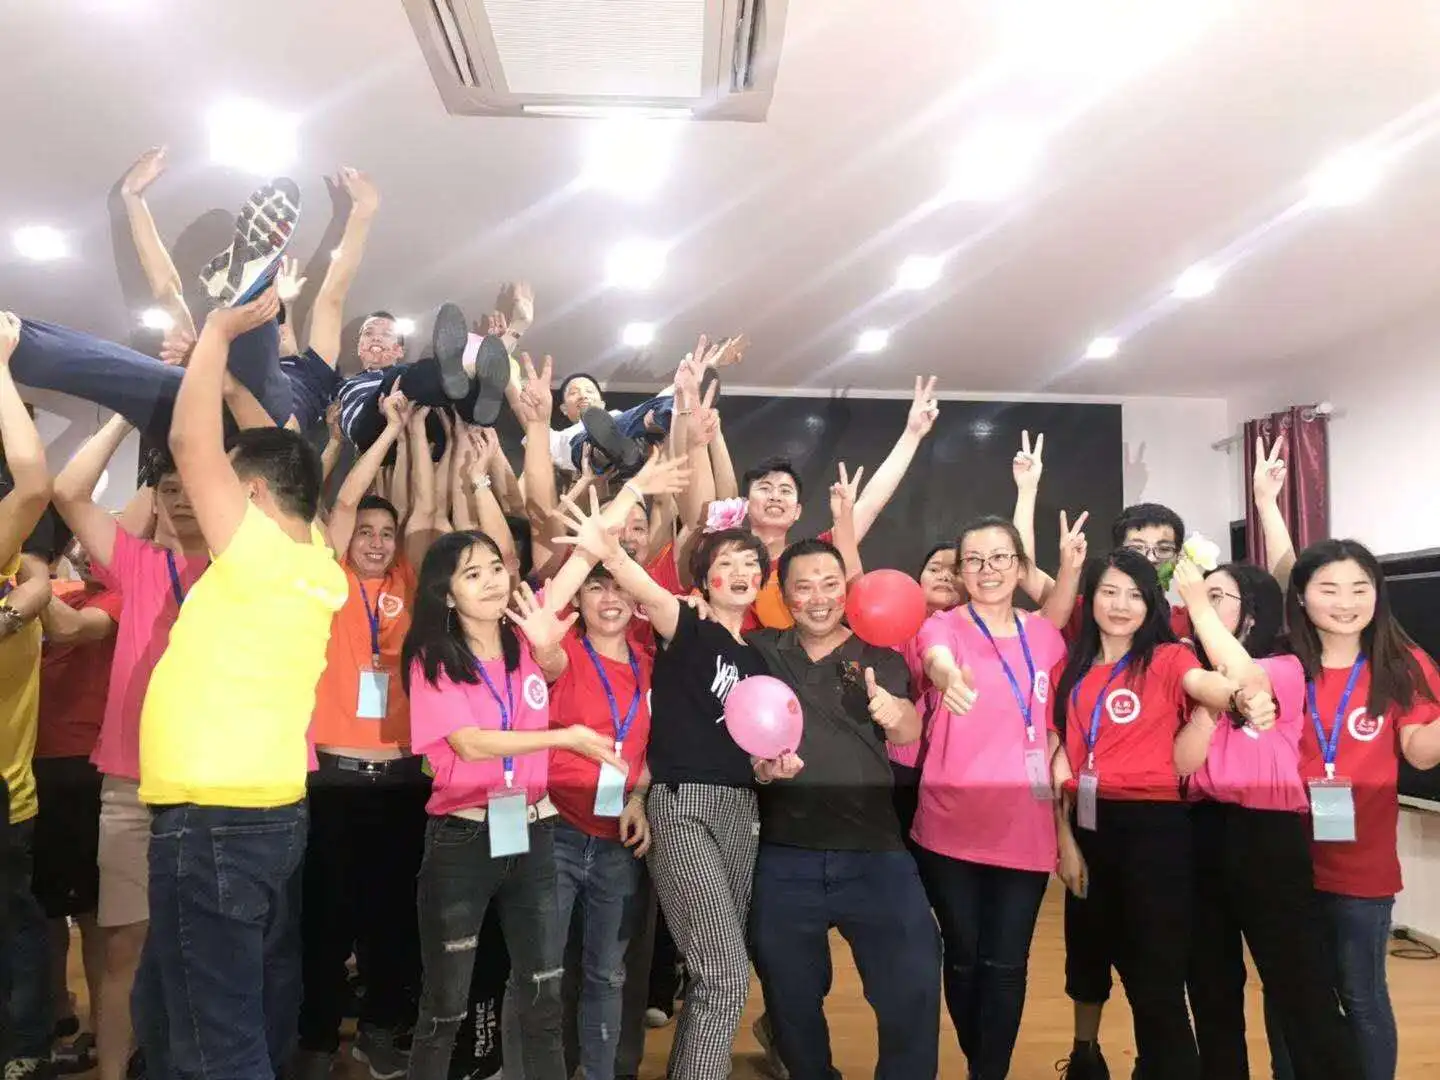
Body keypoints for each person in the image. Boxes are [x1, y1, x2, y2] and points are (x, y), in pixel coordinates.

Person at [129, 289, 349, 1080]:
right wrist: (226, 383)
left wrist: (217, 335)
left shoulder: (256, 552)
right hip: (259, 816)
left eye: (228, 482)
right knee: (179, 1011)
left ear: (252, 499)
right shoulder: (316, 560)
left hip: (213, 822)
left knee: (212, 1040)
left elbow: (190, 441)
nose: (208, 490)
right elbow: (282, 452)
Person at [554, 492, 801, 1080]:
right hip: (683, 807)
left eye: (750, 563)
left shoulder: (760, 659)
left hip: (742, 812)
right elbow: (634, 577)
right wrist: (608, 544)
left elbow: (752, 752)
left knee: (714, 977)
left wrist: (771, 769)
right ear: (704, 578)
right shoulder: (684, 623)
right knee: (724, 973)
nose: (740, 571)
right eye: (726, 562)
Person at [399, 531, 624, 1080]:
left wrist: (630, 496)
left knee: (543, 1000)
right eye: (472, 574)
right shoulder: (432, 658)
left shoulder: (525, 639)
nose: (491, 582)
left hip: (534, 832)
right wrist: (563, 738)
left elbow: (577, 567)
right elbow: (470, 743)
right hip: (463, 838)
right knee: (445, 1007)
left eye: (496, 568)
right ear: (446, 593)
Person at [1050, 548, 1276, 1080]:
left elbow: (1212, 684)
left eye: (1135, 595)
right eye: (1109, 592)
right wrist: (1064, 841)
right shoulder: (1068, 668)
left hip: (1154, 832)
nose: (1120, 605)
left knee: (1156, 977)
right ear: (1091, 598)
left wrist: (1238, 698)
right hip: (1088, 826)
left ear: (1151, 603)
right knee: (1088, 956)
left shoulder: (1170, 659)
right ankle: (1088, 1061)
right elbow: (1058, 756)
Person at [746, 535, 940, 1080]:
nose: (819, 598)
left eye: (830, 585)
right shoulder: (759, 652)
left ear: (847, 591)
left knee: (913, 982)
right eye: (804, 587)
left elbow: (908, 727)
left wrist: (893, 711)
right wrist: (761, 769)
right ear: (783, 594)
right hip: (786, 854)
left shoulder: (879, 657)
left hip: (875, 852)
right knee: (789, 996)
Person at [50, 417, 210, 1080]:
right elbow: (68, 491)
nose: (181, 498)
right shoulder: (140, 566)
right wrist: (127, 412)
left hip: (213, 785)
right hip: (131, 784)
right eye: (169, 488)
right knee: (124, 946)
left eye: (192, 486)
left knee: (202, 950)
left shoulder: (241, 568)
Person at [1168, 559, 1364, 1080]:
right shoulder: (1190, 675)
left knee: (1301, 986)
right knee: (1210, 985)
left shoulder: (1284, 666)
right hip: (1199, 830)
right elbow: (1182, 762)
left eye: (1218, 596)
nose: (1201, 604)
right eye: (1201, 596)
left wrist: (1198, 607)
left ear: (1252, 613)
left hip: (1266, 836)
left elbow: (1247, 680)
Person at [294, 391, 438, 1080]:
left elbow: (425, 510)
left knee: (393, 920)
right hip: (334, 777)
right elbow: (346, 499)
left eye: (386, 533)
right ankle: (317, 1037)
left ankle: (381, 1029)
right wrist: (385, 434)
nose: (376, 541)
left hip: (404, 780)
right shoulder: (327, 577)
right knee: (325, 918)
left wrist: (414, 436)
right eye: (366, 532)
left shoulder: (410, 578)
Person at [913, 515, 1081, 1080]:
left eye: (1000, 558)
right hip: (950, 825)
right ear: (961, 570)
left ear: (1019, 566)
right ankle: (980, 1062)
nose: (988, 570)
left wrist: (1070, 568)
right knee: (963, 960)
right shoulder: (943, 626)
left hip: (1025, 826)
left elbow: (1054, 724)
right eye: (975, 560)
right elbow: (935, 658)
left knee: (1006, 964)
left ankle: (988, 1073)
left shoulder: (1045, 636)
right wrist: (946, 676)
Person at [10, 178, 300, 442]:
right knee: (123, 369)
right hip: (236, 419)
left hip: (227, 423)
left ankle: (18, 342)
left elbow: (169, 292)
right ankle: (15, 341)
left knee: (121, 370)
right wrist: (133, 200)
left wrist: (133, 200)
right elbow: (168, 292)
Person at [544, 563, 654, 1080]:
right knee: (542, 971)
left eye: (619, 588)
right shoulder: (561, 654)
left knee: (607, 974)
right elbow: (540, 638)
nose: (609, 599)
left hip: (618, 838)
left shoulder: (651, 665)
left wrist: (640, 796)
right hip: (555, 830)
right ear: (579, 601)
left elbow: (654, 747)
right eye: (596, 587)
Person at [742, 375, 940, 629]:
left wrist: (912, 435)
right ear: (745, 503)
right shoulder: (723, 557)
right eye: (765, 488)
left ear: (797, 511)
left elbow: (870, 503)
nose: (775, 496)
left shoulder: (818, 558)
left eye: (785, 490)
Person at [32, 531, 122, 1076]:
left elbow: (68, 628)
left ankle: (102, 1031)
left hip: (86, 769)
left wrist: (30, 574)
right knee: (41, 909)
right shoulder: (58, 588)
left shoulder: (117, 594)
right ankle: (54, 1014)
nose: (87, 551)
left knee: (92, 914)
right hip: (30, 766)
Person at [0, 311, 55, 1080]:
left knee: (15, 926)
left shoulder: (19, 566)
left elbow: (35, 483)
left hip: (9, 790)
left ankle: (26, 1049)